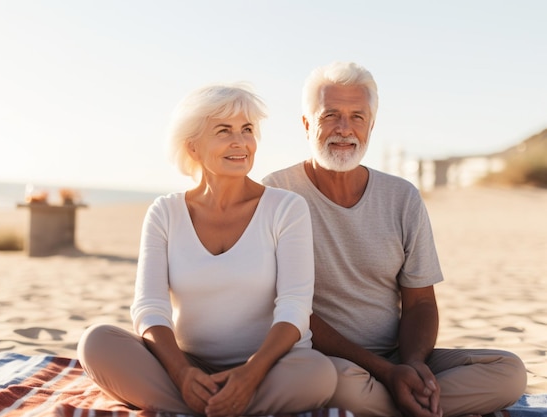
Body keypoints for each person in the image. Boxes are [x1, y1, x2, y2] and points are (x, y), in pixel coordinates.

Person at [262, 61, 527, 417]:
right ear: (307, 123)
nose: (345, 129)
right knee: (336, 384)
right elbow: (288, 308)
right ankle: (415, 404)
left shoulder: (402, 196)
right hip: (326, 360)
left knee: (509, 373)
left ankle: (402, 401)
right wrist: (385, 372)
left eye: (358, 116)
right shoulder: (275, 194)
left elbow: (420, 304)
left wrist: (413, 365)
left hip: (398, 355)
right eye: (331, 116)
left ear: (371, 125)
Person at [78, 83, 337, 417]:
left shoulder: (286, 208)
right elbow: (150, 307)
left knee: (319, 375)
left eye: (247, 130)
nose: (240, 142)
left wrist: (250, 375)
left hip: (268, 368)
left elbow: (295, 308)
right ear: (193, 147)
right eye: (223, 131)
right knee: (97, 342)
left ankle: (198, 408)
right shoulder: (165, 212)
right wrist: (182, 374)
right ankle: (217, 406)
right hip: (187, 365)